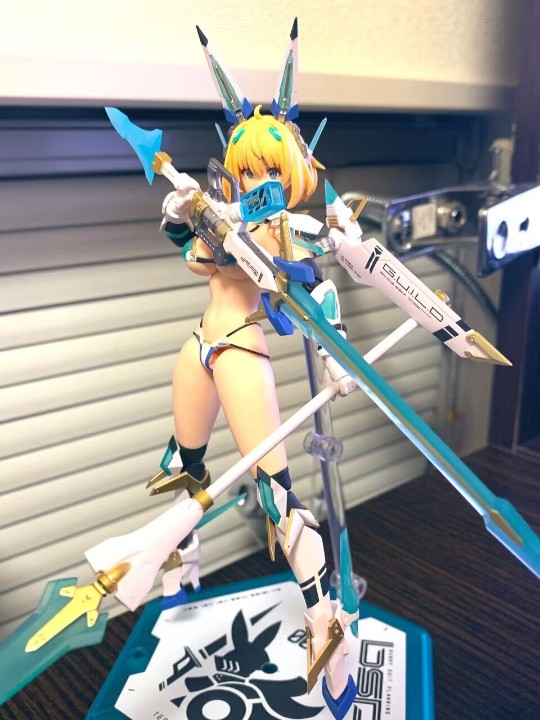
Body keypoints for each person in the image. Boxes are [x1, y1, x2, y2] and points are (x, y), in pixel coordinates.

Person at [147, 22, 358, 717]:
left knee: (276, 495)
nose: (255, 181)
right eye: (245, 169)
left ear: (289, 171)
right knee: (186, 468)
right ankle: (181, 575)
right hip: (198, 348)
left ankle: (326, 625)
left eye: (267, 170)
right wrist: (184, 214)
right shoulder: (222, 214)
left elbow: (321, 289)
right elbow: (193, 253)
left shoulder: (289, 229)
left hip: (240, 351)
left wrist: (333, 351)